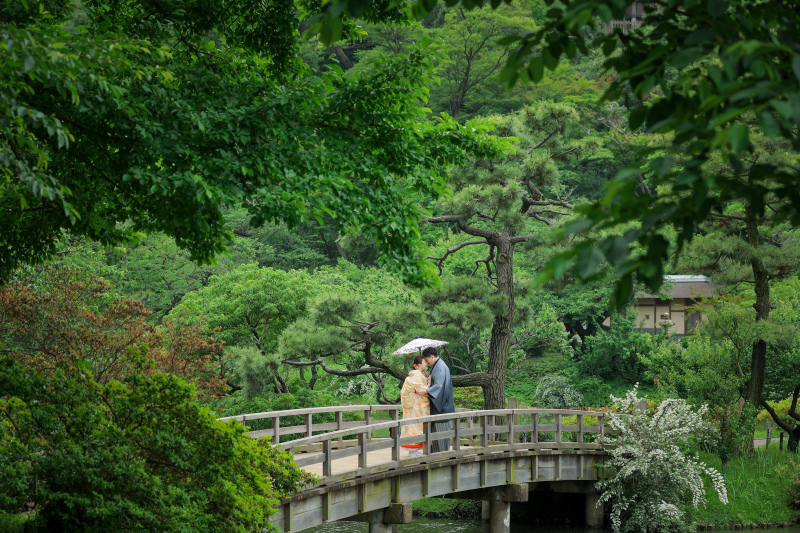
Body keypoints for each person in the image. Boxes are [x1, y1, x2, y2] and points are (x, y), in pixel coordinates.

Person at [416, 347, 454, 452]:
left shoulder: (441, 367)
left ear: (432, 356)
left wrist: (426, 391)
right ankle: (435, 455)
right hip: (438, 405)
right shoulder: (437, 365)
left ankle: (441, 456)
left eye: (427, 359)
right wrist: (429, 376)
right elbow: (436, 381)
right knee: (435, 435)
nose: (427, 362)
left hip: (443, 406)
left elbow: (440, 386)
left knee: (440, 435)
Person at [400, 355, 430, 457]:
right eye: (424, 361)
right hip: (415, 405)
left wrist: (424, 378)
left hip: (412, 405)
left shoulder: (416, 375)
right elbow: (422, 390)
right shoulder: (417, 376)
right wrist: (429, 383)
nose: (426, 363)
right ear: (417, 365)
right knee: (415, 426)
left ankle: (414, 451)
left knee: (412, 426)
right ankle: (413, 451)